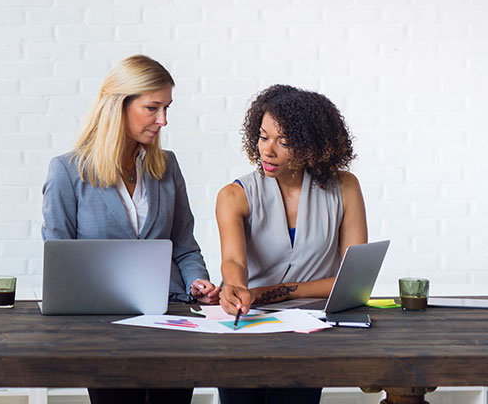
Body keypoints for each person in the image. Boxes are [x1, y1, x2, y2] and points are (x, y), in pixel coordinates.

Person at [42, 54, 219, 404]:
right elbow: (60, 263)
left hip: (172, 320)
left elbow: (184, 246)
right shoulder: (67, 172)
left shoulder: (166, 166)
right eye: (152, 108)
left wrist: (197, 281)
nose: (163, 120)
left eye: (167, 108)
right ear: (117, 106)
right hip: (104, 331)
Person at [216, 84, 368, 404]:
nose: (267, 150)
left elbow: (352, 282)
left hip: (311, 333)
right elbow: (234, 261)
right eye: (263, 136)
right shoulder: (234, 196)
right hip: (249, 325)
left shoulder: (345, 188)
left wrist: (284, 290)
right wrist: (235, 286)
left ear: (313, 146)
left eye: (284, 142)